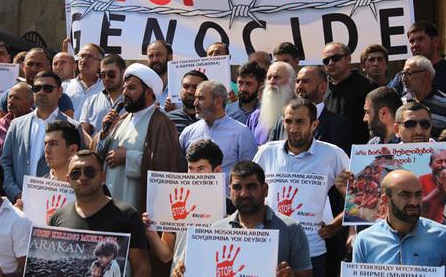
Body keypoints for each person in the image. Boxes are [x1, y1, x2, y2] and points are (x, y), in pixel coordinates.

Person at [254, 98, 349, 277]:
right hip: (268, 247)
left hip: (311, 251)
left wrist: (336, 224)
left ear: (314, 124)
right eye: (288, 121)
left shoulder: (332, 154)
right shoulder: (266, 153)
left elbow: (362, 198)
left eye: (300, 121)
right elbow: (248, 193)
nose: (293, 128)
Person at [172, 161, 313, 277]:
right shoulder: (215, 231)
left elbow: (305, 274)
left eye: (251, 187)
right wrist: (180, 272)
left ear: (265, 190)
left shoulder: (291, 228)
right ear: (229, 191)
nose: (244, 194)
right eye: (237, 187)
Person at [49, 150, 151, 276]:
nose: (82, 177)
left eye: (89, 171)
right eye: (76, 173)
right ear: (68, 180)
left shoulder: (127, 215)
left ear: (103, 176)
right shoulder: (57, 217)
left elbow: (142, 268)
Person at [142, 139, 235, 273]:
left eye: (201, 169)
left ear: (217, 170)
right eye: (191, 168)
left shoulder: (231, 208)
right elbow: (166, 255)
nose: (194, 175)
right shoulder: (176, 203)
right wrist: (151, 233)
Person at [96, 63, 179, 211]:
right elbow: (99, 157)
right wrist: (104, 133)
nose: (125, 93)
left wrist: (128, 157)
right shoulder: (121, 119)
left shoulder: (160, 123)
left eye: (132, 88)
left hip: (136, 207)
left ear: (148, 92)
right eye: (125, 88)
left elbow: (165, 167)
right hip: (110, 203)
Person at [1, 71, 80, 202]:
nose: (41, 92)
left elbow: (77, 166)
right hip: (20, 202)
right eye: (37, 88)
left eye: (48, 88)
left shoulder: (74, 127)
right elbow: (6, 162)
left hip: (57, 201)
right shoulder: (16, 124)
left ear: (60, 91)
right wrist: (16, 194)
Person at [352, 170, 446, 266]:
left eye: (418, 195)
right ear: (385, 199)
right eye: (405, 195)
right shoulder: (365, 240)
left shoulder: (442, 237)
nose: (414, 202)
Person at [179, 80, 257, 179]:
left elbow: (249, 175)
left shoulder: (241, 133)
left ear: (218, 102)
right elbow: (180, 172)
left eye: (201, 98)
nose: (195, 103)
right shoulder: (188, 132)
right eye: (195, 98)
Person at [269, 65, 352, 155]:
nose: (299, 86)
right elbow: (272, 154)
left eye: (305, 81)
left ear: (322, 87)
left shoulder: (338, 123)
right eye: (297, 81)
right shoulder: (281, 121)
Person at [0, 48, 74, 120]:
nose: (34, 69)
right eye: (30, 64)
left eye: (39, 65)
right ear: (23, 67)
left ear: (48, 67)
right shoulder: (9, 95)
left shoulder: (61, 98)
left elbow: (67, 130)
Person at [322, 42, 377, 144]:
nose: (331, 63)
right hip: (328, 155)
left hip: (357, 153)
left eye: (336, 58)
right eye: (326, 61)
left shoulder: (367, 86)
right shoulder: (322, 88)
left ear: (348, 59)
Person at [390, 21, 446, 95]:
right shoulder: (401, 77)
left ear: (436, 41)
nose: (415, 45)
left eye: (421, 39)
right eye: (412, 41)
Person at [247, 61, 295, 145]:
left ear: (291, 82)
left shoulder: (299, 113)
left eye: (277, 77)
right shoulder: (255, 117)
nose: (271, 81)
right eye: (269, 78)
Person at [399, 55, 446, 139]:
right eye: (402, 74)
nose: (403, 79)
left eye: (408, 74)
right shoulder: (401, 103)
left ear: (425, 75)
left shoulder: (444, 103)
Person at [80, 54, 126, 135]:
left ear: (123, 72)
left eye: (111, 74)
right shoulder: (91, 102)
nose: (107, 78)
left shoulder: (134, 99)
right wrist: (97, 144)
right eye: (102, 75)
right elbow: (84, 134)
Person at [63, 43, 105, 120]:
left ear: (100, 63)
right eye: (81, 56)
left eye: (89, 56)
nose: (83, 60)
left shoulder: (105, 89)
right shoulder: (65, 86)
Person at [0, 82, 34, 149]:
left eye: (16, 98)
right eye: (10, 97)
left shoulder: (37, 124)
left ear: (31, 102)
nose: (10, 101)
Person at [167, 70, 208, 135]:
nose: (190, 91)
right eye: (186, 86)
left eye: (195, 87)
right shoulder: (167, 119)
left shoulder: (213, 120)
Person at [419, 149, 446, 223]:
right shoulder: (421, 180)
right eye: (439, 162)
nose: (444, 165)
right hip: (422, 224)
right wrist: (437, 190)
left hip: (440, 224)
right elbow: (417, 204)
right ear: (430, 165)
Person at [147, 39, 172, 107]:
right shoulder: (144, 87)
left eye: (159, 55)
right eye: (151, 56)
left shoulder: (180, 86)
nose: (154, 59)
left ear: (170, 57)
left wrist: (174, 111)